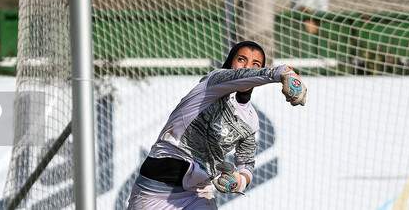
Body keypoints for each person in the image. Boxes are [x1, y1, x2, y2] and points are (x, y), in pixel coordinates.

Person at [126, 40, 307, 210]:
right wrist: (282, 72)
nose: (247, 67)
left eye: (255, 64)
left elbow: (246, 162)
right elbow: (241, 76)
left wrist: (239, 181)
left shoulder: (251, 119)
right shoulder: (213, 81)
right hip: (155, 192)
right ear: (230, 62)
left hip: (198, 192)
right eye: (242, 59)